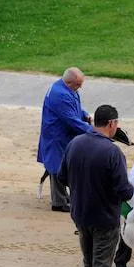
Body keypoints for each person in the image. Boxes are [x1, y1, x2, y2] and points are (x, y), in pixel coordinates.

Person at [58, 104, 134, 267]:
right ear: (111, 124)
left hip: (80, 214)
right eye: (117, 123)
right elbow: (125, 191)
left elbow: (62, 177)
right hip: (104, 218)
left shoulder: (75, 144)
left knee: (89, 263)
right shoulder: (112, 152)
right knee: (101, 266)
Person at [37, 67, 93, 212]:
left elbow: (75, 108)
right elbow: (71, 119)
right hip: (57, 136)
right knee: (56, 167)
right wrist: (93, 131)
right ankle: (58, 202)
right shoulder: (60, 94)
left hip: (62, 134)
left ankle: (63, 196)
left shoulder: (66, 89)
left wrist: (85, 114)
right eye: (78, 84)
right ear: (69, 83)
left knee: (63, 164)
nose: (80, 87)